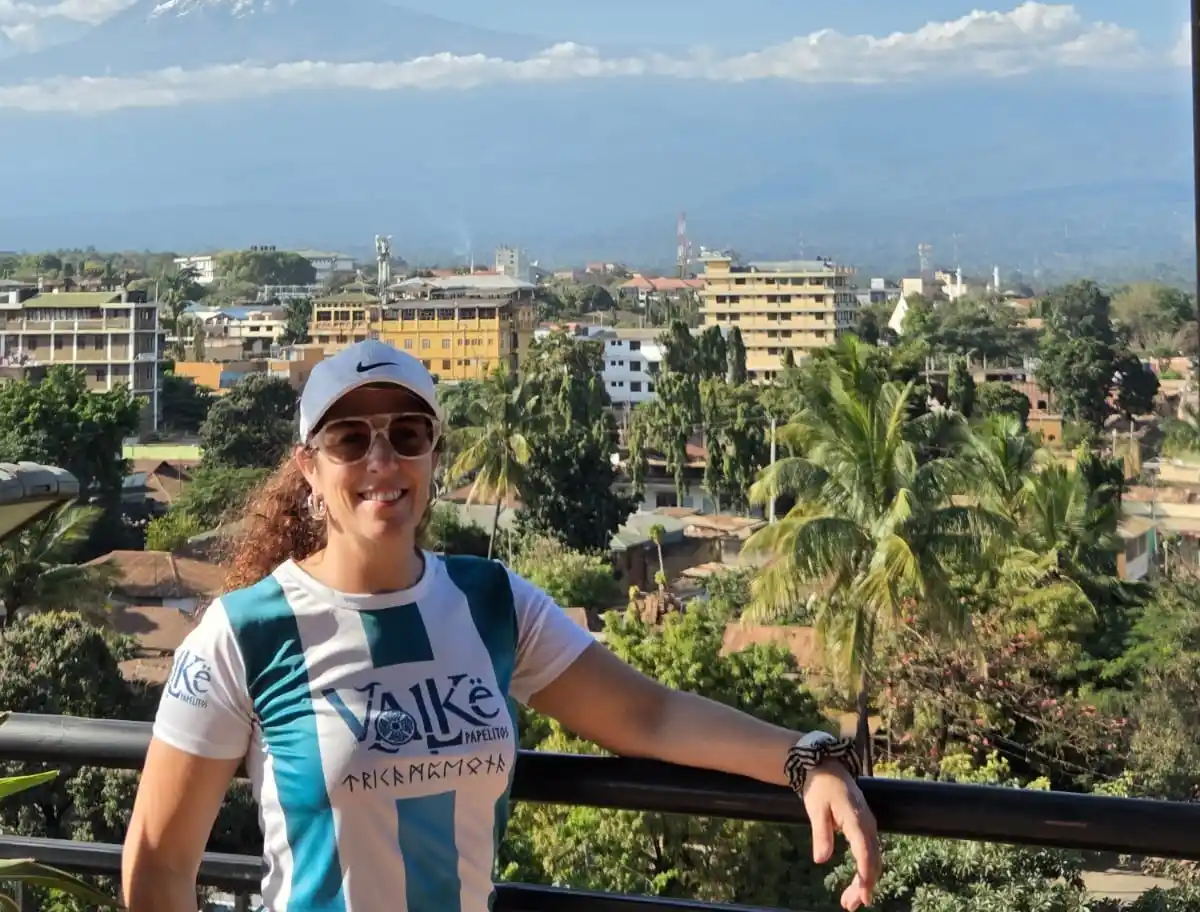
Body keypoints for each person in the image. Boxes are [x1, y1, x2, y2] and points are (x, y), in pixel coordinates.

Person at [123, 339, 880, 912]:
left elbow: (645, 713)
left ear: (434, 455)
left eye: (407, 435)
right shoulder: (247, 632)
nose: (382, 460)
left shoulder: (491, 603)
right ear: (310, 469)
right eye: (351, 439)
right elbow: (157, 866)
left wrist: (802, 758)